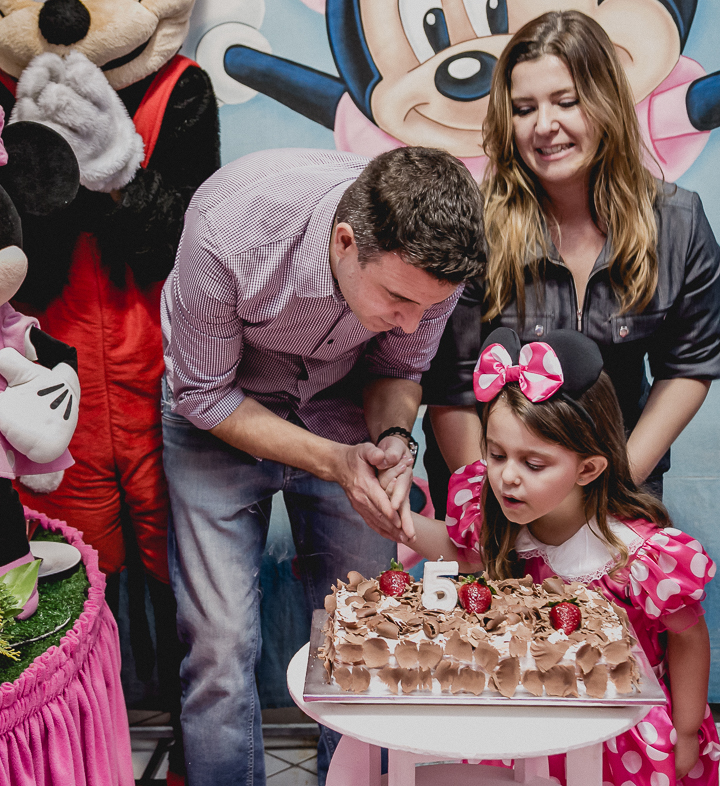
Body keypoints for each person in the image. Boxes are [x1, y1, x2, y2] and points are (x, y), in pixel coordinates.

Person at [161, 145, 486, 786]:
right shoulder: (227, 233)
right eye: (397, 299)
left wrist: (395, 438)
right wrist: (336, 462)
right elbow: (203, 394)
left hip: (341, 408)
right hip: (217, 413)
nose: (411, 320)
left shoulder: (430, 272)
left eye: (428, 307)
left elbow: (399, 367)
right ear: (344, 242)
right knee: (220, 643)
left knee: (361, 634)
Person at [423, 10, 720, 506]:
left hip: (618, 478)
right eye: (524, 109)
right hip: (492, 489)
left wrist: (615, 484)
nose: (545, 126)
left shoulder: (678, 222)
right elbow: (450, 388)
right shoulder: (474, 227)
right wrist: (491, 503)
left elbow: (688, 367)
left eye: (566, 102)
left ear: (604, 102)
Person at [407, 326, 719, 785]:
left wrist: (688, 730)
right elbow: (466, 555)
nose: (507, 477)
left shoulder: (635, 556)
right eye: (496, 455)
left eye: (533, 464)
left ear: (588, 468)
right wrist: (399, 521)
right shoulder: (510, 522)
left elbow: (689, 639)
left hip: (618, 729)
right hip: (532, 712)